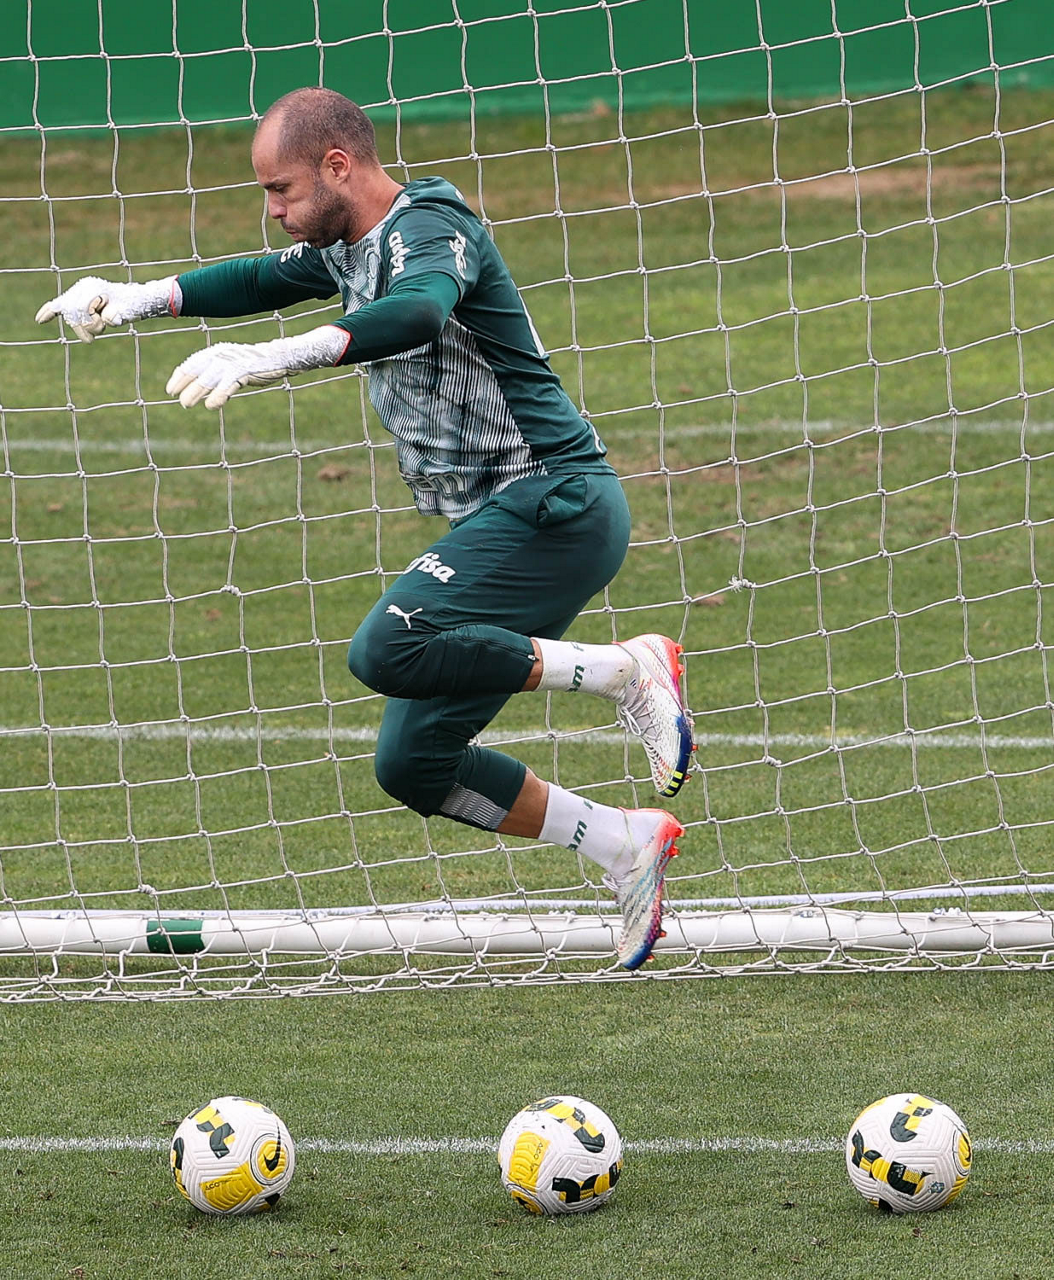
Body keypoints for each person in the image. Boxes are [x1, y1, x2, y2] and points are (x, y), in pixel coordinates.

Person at [34, 87, 695, 969]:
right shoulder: (347, 246)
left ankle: (624, 670)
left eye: (281, 189)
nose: (274, 210)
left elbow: (417, 311)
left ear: (338, 166)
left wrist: (271, 358)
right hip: (503, 519)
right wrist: (136, 298)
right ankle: (623, 843)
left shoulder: (431, 227)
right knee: (415, 763)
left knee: (387, 647)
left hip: (556, 500)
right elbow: (259, 279)